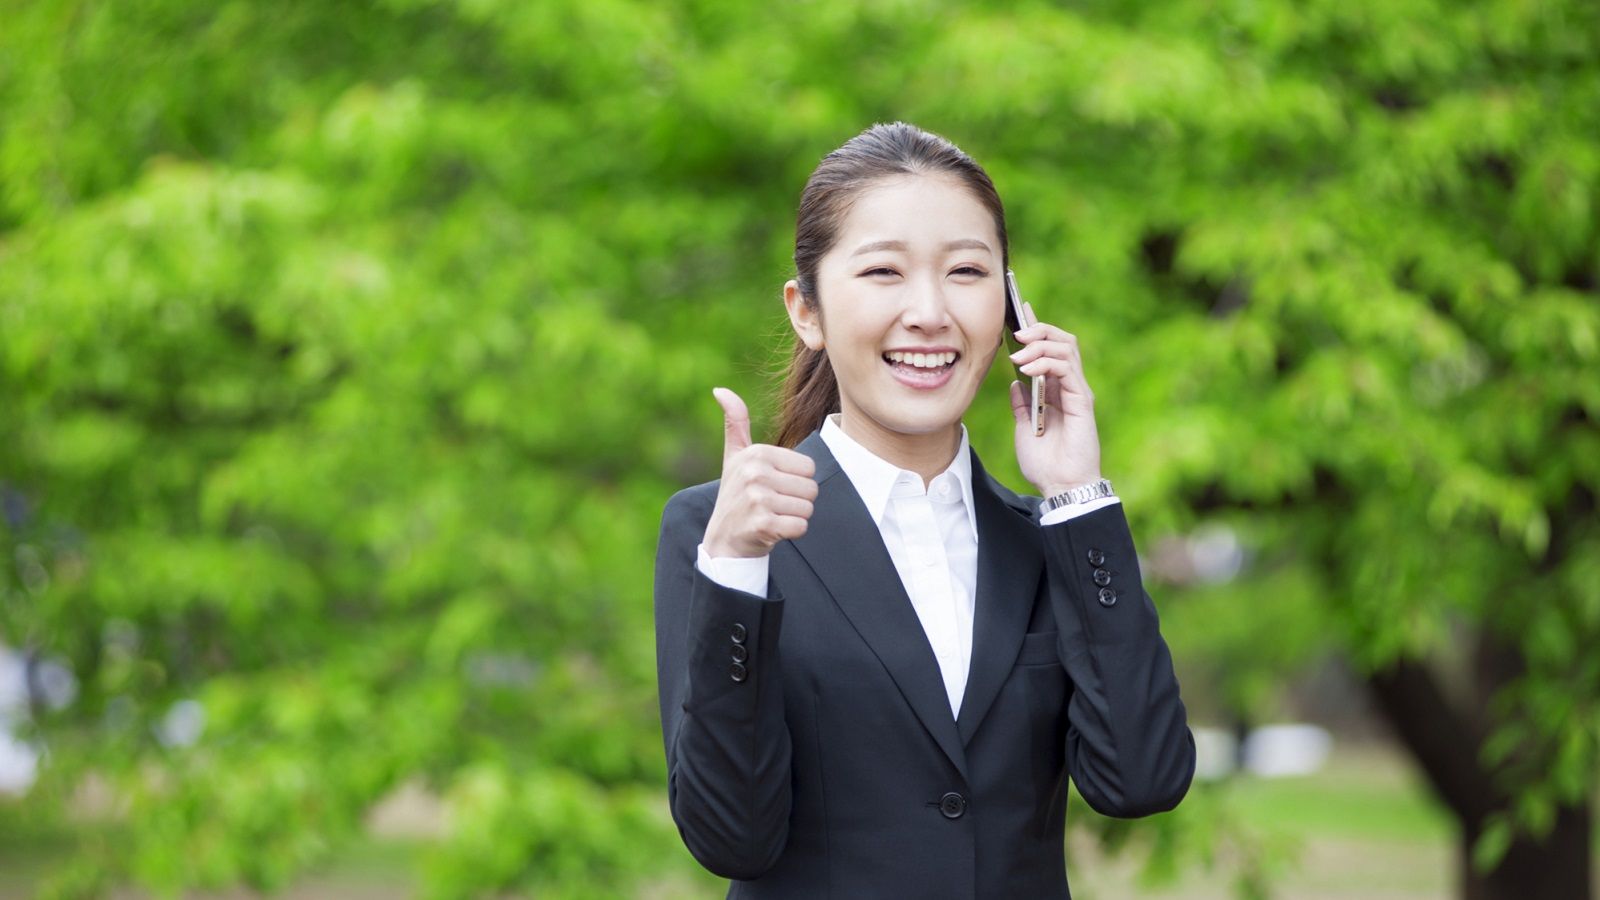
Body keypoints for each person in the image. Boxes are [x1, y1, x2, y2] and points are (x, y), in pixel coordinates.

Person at [653, 122, 1195, 899]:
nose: (930, 312)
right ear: (806, 311)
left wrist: (1078, 495)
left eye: (967, 271)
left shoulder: (1050, 540)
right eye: (883, 272)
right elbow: (731, 835)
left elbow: (1142, 781)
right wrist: (737, 568)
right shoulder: (721, 534)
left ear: (1009, 306)